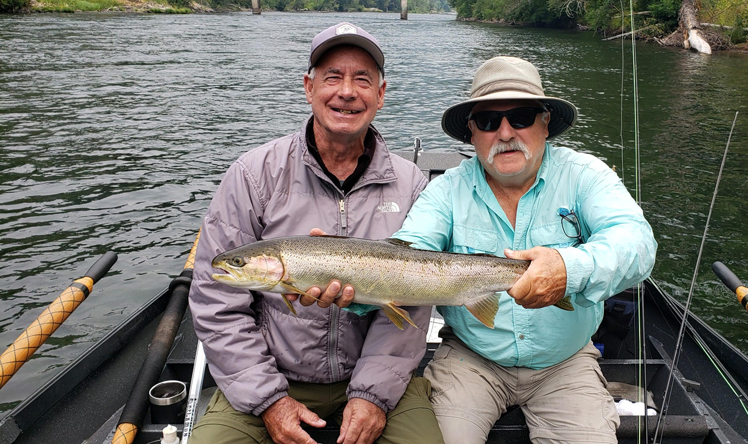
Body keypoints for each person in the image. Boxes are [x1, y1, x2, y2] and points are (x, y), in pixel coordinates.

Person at [188, 22, 444, 444]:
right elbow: (216, 301)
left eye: (362, 79)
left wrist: (373, 396)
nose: (347, 91)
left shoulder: (411, 183)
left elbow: (413, 306)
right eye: (332, 77)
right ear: (309, 88)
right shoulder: (253, 175)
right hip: (271, 375)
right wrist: (269, 399)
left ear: (380, 95)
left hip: (383, 377)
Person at [392, 56, 658, 444]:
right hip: (469, 360)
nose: (504, 132)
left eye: (520, 116)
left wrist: (570, 268)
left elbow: (636, 242)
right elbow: (407, 258)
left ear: (545, 123)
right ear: (471, 132)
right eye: (487, 121)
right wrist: (348, 287)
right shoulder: (445, 191)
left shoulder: (586, 175)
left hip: (566, 363)